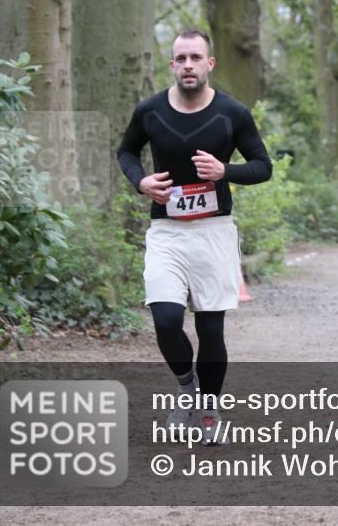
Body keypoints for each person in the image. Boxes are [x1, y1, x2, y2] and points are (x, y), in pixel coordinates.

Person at [117, 29, 272, 443]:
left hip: (214, 231)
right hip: (166, 230)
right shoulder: (150, 110)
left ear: (210, 63)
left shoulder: (233, 113)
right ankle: (187, 387)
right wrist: (141, 181)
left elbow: (263, 166)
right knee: (167, 320)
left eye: (195, 57)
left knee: (210, 330)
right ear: (172, 65)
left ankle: (208, 409)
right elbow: (126, 151)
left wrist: (226, 171)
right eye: (181, 58)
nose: (188, 65)